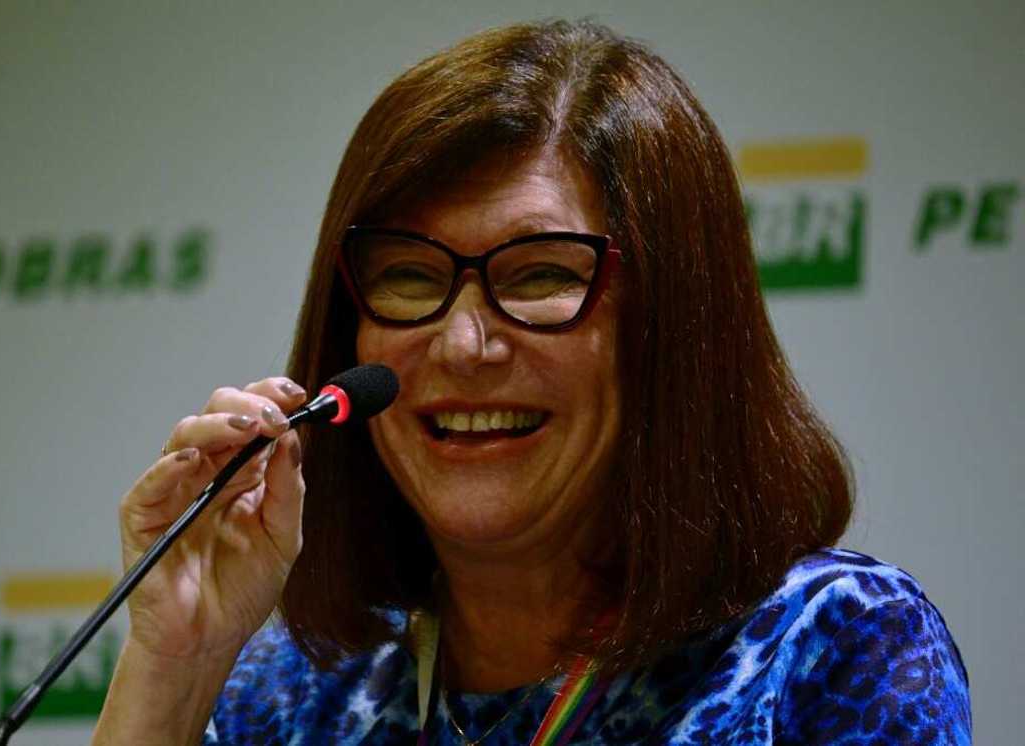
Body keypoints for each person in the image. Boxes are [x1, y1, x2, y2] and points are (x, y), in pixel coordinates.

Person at [92, 19, 970, 745]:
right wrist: (177, 671)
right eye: (408, 277)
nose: (464, 343)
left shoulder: (833, 646)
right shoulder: (284, 699)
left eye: (540, 275)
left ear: (670, 327)